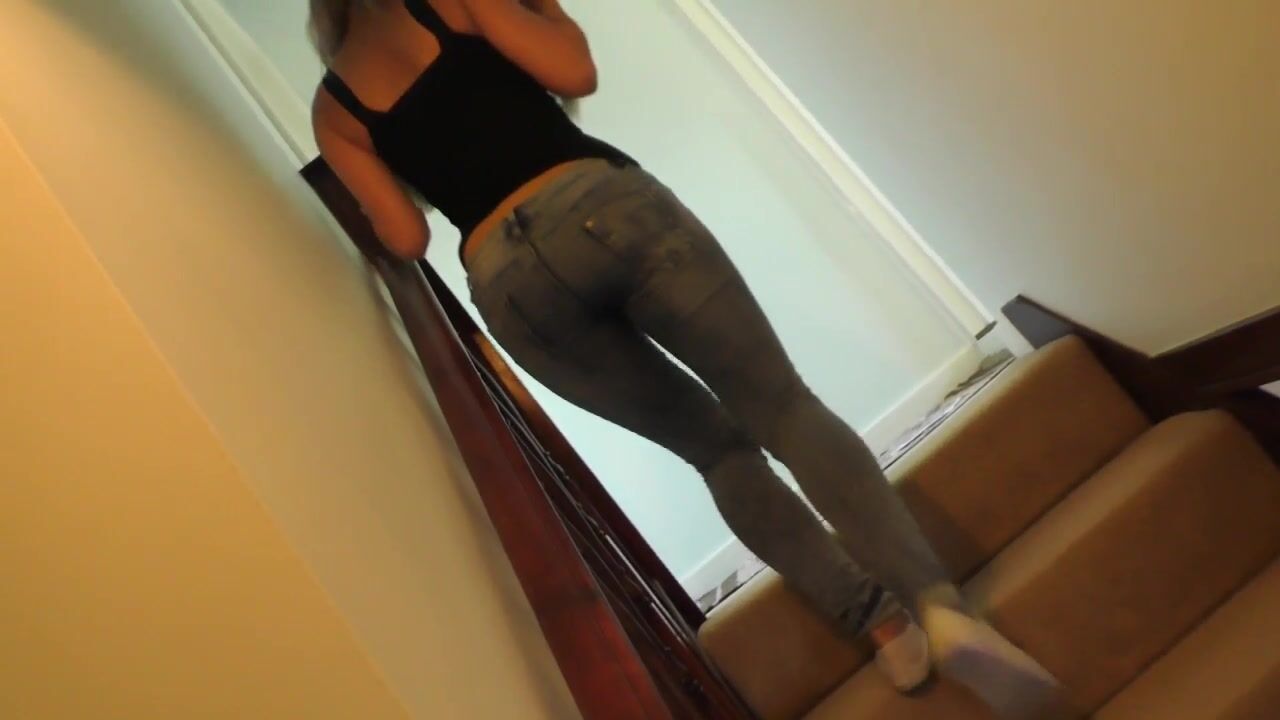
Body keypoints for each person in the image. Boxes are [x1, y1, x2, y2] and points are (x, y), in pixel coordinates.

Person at [308, 0, 1061, 714]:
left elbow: (406, 239)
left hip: (510, 286)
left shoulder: (334, 111)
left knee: (715, 453)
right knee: (782, 407)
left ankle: (883, 627)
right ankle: (937, 605)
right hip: (599, 205)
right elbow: (573, 73)